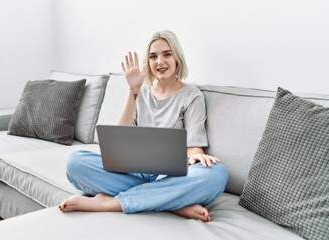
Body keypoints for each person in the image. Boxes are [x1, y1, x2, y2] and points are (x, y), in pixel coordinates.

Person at [59, 30, 228, 222]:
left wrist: (198, 155)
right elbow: (119, 141)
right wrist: (133, 90)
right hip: (135, 170)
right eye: (153, 57)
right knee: (75, 161)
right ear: (147, 63)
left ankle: (112, 203)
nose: (160, 62)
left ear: (177, 58)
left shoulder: (192, 96)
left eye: (167, 54)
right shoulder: (141, 91)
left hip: (171, 176)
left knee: (217, 174)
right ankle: (172, 203)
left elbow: (194, 146)